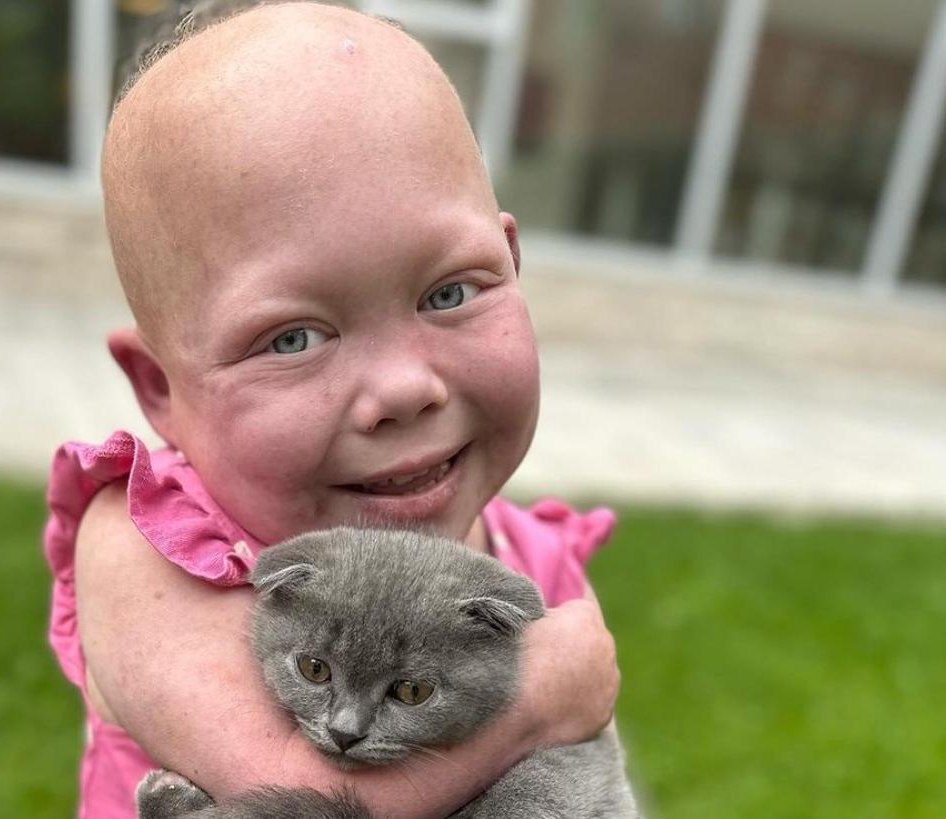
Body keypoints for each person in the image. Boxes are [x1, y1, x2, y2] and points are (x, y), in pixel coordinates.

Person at [44, 3, 620, 817]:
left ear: (513, 266)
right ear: (159, 387)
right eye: (292, 338)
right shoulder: (148, 548)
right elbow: (301, 791)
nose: (402, 389)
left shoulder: (529, 565)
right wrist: (538, 698)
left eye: (448, 291)